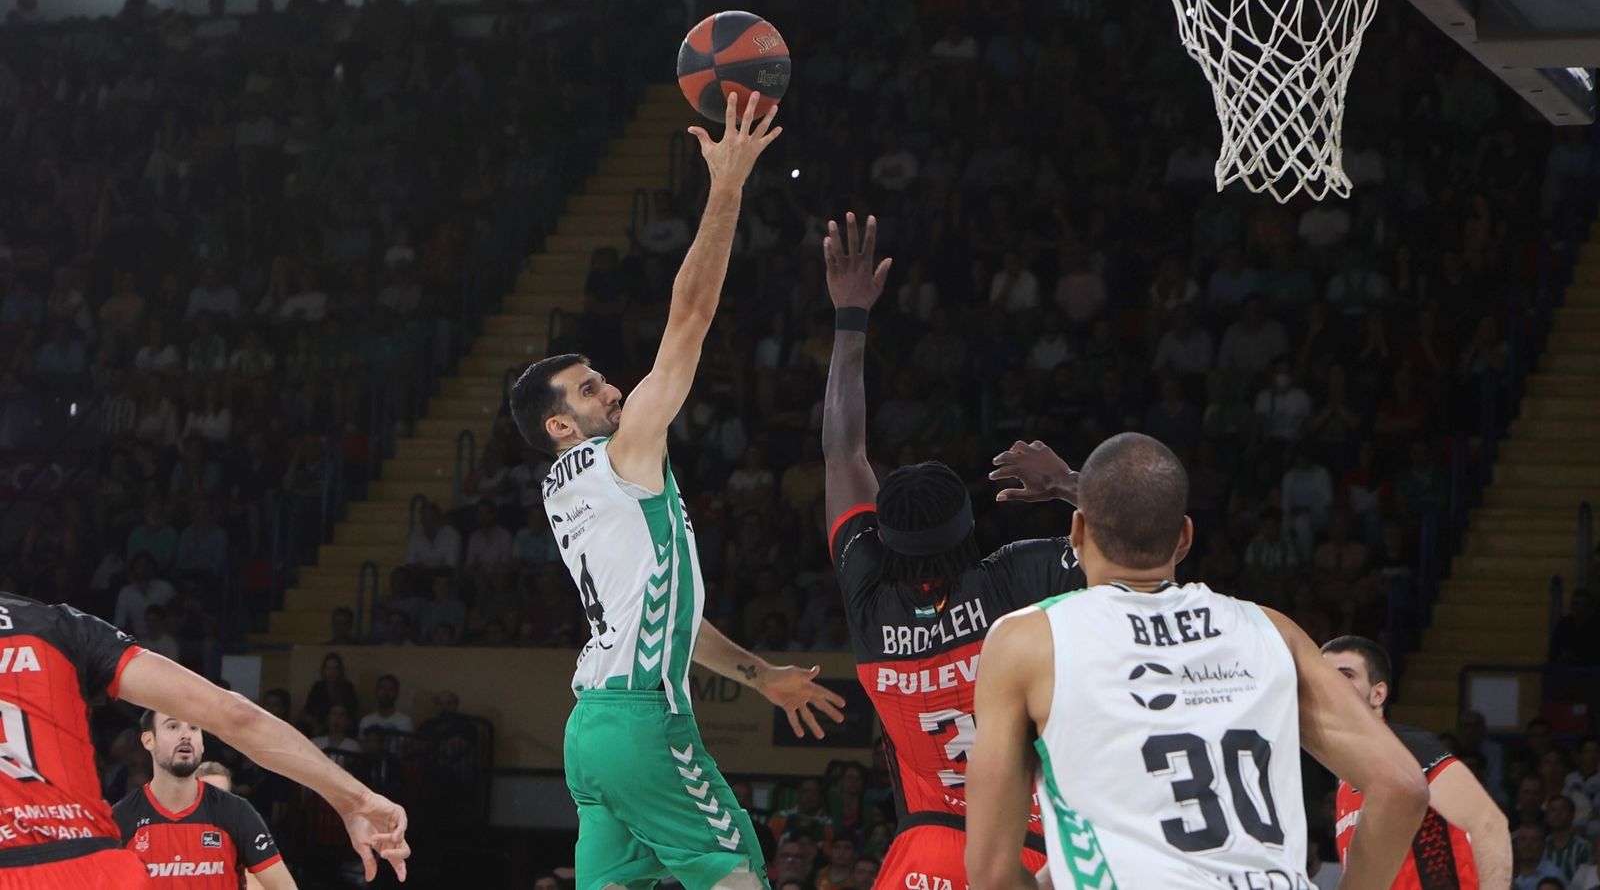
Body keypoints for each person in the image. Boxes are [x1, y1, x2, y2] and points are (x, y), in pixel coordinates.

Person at [508, 95, 842, 890]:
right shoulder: (624, 455)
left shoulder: (566, 488)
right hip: (641, 719)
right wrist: (726, 186)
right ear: (561, 424)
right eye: (590, 389)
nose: (612, 390)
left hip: (591, 731)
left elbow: (668, 616)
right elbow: (689, 318)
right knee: (738, 871)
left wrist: (759, 676)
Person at [964, 433, 1429, 890]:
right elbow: (1402, 785)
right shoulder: (1271, 630)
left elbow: (991, 873)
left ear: (1077, 532)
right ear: (1185, 537)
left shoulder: (1030, 640)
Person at [818, 213, 1085, 886]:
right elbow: (1145, 537)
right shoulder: (1014, 577)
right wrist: (1068, 483)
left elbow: (843, 451)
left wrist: (850, 317)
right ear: (969, 529)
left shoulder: (868, 594)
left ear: (882, 535)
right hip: (1028, 851)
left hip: (927, 849)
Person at [0, 591, 407, 887]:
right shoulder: (56, 627)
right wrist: (354, 798)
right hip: (91, 869)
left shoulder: (233, 813)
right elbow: (236, 715)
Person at [1321, 635, 1512, 888]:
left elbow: (1490, 825)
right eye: (1324, 676)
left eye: (1346, 675)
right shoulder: (1345, 772)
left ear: (1378, 694)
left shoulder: (1406, 749)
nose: (1332, 685)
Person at [113, 711, 294, 888]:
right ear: (148, 740)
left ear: (202, 744)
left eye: (194, 728)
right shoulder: (120, 818)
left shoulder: (236, 811)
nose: (186, 735)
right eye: (173, 726)